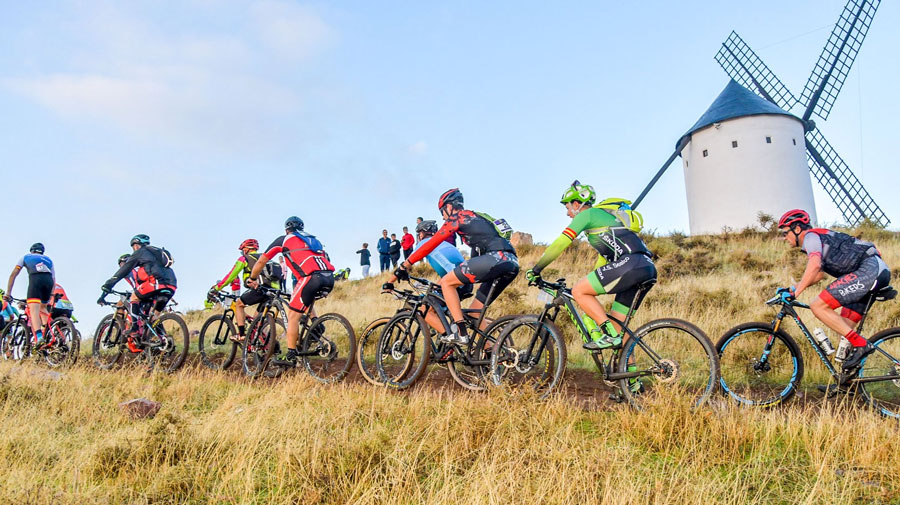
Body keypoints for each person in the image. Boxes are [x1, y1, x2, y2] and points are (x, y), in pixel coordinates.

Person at [525, 181, 657, 352]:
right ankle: (629, 377)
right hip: (646, 267)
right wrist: (589, 291)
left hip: (631, 263)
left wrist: (537, 268)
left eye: (568, 207)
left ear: (577, 204)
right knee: (619, 329)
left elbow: (561, 243)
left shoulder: (587, 215)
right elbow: (602, 264)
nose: (567, 213)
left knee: (579, 291)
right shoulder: (602, 223)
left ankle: (609, 336)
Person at [393, 188, 519, 344]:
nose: (443, 217)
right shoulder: (478, 217)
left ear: (449, 207)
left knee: (446, 282)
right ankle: (492, 352)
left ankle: (461, 333)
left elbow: (431, 244)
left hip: (495, 258)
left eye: (442, 212)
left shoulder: (458, 217)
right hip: (511, 262)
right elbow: (477, 251)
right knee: (475, 314)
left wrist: (404, 266)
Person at [777, 209, 890, 376]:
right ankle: (849, 381)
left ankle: (863, 346)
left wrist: (796, 294)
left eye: (786, 233)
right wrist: (792, 288)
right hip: (875, 270)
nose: (784, 237)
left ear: (797, 229)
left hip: (868, 270)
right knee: (844, 331)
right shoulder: (816, 239)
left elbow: (814, 265)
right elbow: (819, 274)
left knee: (817, 306)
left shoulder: (810, 237)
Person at [247, 216, 335, 366]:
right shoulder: (312, 239)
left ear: (286, 229)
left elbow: (262, 260)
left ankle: (291, 355)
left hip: (310, 277)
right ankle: (316, 324)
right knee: (303, 299)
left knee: (293, 316)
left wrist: (252, 278)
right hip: (328, 277)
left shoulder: (284, 239)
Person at [385, 219, 471, 334]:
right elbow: (451, 268)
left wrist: (390, 282)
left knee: (425, 310)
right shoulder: (444, 243)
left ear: (422, 233)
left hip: (454, 281)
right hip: (465, 280)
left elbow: (406, 264)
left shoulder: (424, 243)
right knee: (435, 303)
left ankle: (450, 339)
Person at [99, 234, 177, 344]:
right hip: (171, 285)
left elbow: (122, 272)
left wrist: (107, 286)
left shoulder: (139, 253)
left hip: (155, 284)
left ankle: (135, 328)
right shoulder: (157, 252)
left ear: (135, 245)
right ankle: (163, 340)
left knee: (134, 297)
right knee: (152, 316)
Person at [209, 239, 284, 342]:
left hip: (260, 289)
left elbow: (231, 276)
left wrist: (217, 288)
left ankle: (241, 335)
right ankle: (262, 345)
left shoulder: (244, 258)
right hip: (274, 292)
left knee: (238, 304)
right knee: (256, 322)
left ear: (245, 250)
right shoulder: (265, 257)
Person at [5, 243, 55, 347]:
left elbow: (13, 274)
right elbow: (54, 279)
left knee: (34, 310)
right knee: (43, 308)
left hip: (35, 281)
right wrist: (51, 295)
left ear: (32, 250)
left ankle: (39, 338)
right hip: (48, 282)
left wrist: (8, 293)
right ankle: (48, 335)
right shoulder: (49, 260)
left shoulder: (26, 257)